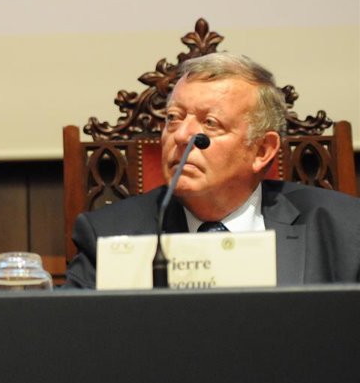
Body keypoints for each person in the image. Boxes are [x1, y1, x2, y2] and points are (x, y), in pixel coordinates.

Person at [66, 52, 360, 288]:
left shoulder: (344, 229)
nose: (182, 135)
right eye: (173, 118)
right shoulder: (108, 236)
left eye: (210, 123)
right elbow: (74, 334)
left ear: (262, 150)